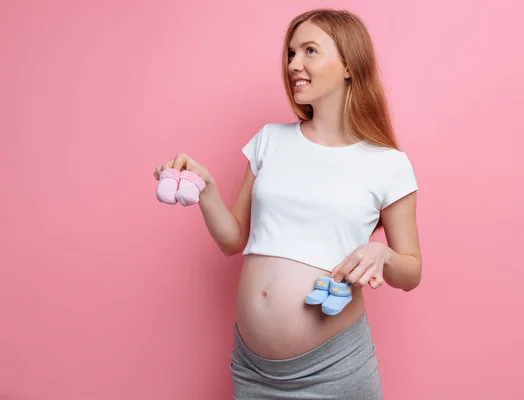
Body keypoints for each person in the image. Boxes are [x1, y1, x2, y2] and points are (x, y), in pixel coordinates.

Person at [153, 8, 422, 400]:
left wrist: (382, 254)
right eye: (291, 53)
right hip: (252, 369)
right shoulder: (270, 140)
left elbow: (411, 272)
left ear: (349, 64)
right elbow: (232, 241)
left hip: (333, 370)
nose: (294, 63)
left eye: (310, 51)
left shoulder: (387, 164)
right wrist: (207, 187)